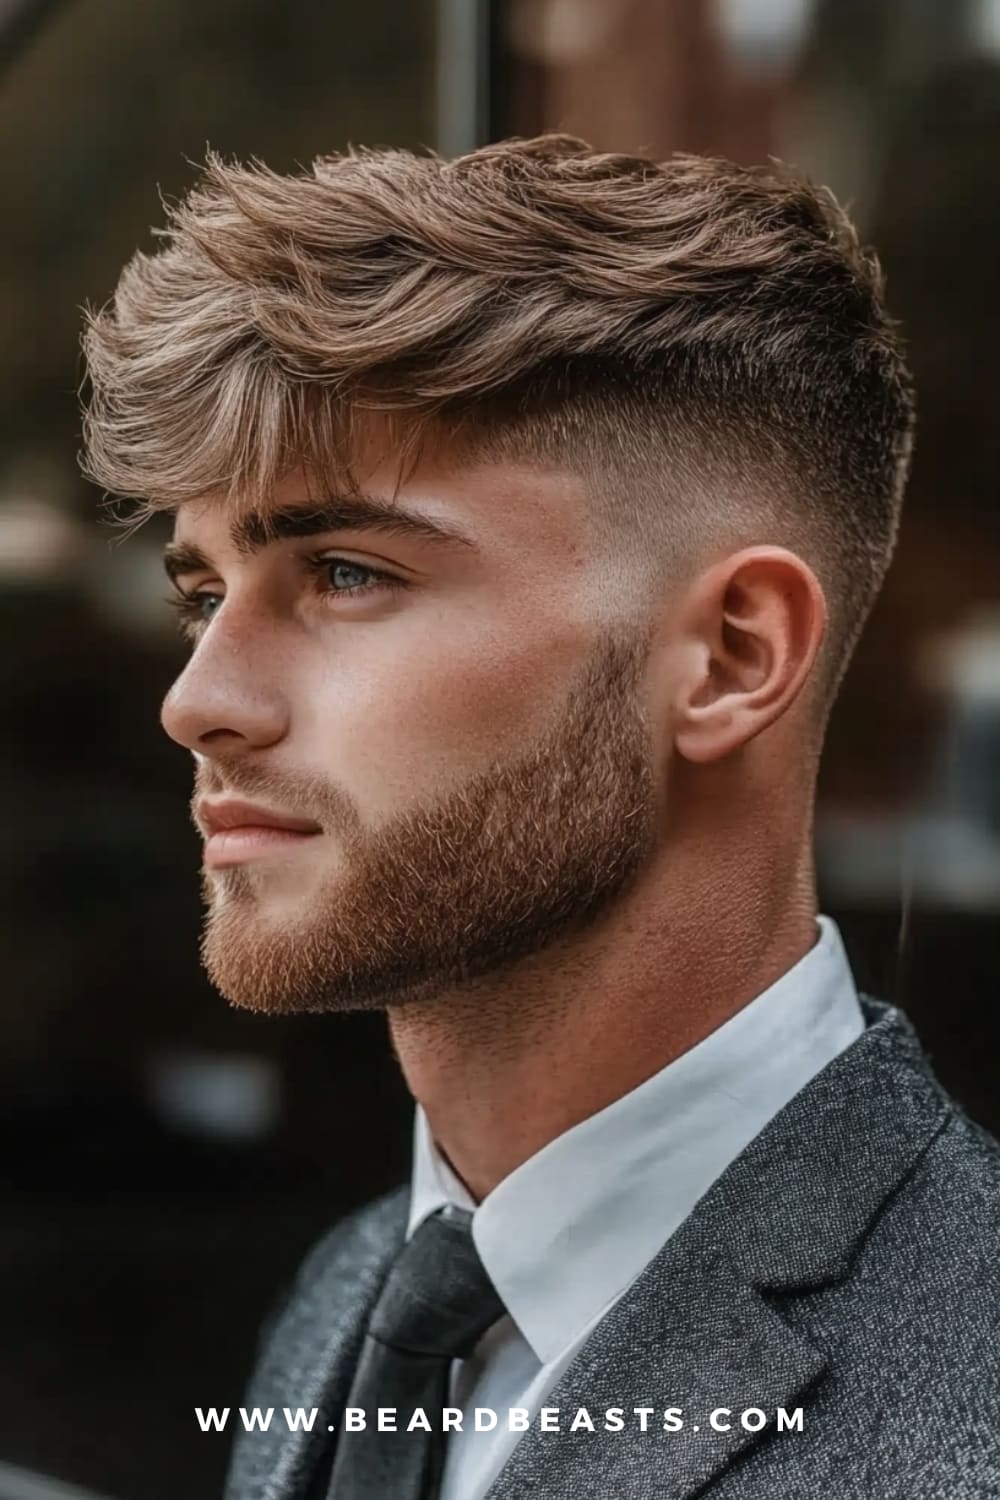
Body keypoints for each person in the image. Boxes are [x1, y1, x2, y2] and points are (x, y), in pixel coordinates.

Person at [80, 135, 999, 1500]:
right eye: (203, 593)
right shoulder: (355, 1292)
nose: (197, 700)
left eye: (343, 572)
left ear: (735, 656)